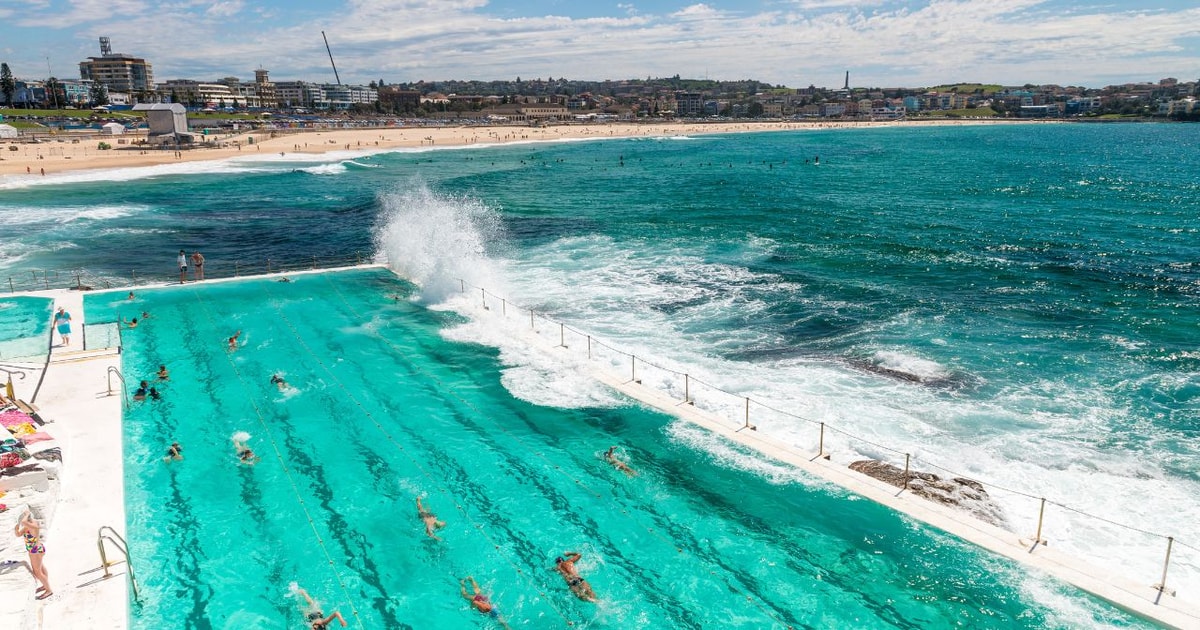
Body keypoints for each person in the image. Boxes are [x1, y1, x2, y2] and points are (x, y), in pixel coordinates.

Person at [14, 510, 51, 599]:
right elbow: (18, 534)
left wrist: (26, 514)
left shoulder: (34, 525)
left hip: (36, 551)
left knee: (37, 572)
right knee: (41, 567)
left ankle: (48, 590)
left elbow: (23, 522)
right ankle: (45, 585)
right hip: (35, 550)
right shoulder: (27, 525)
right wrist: (16, 529)